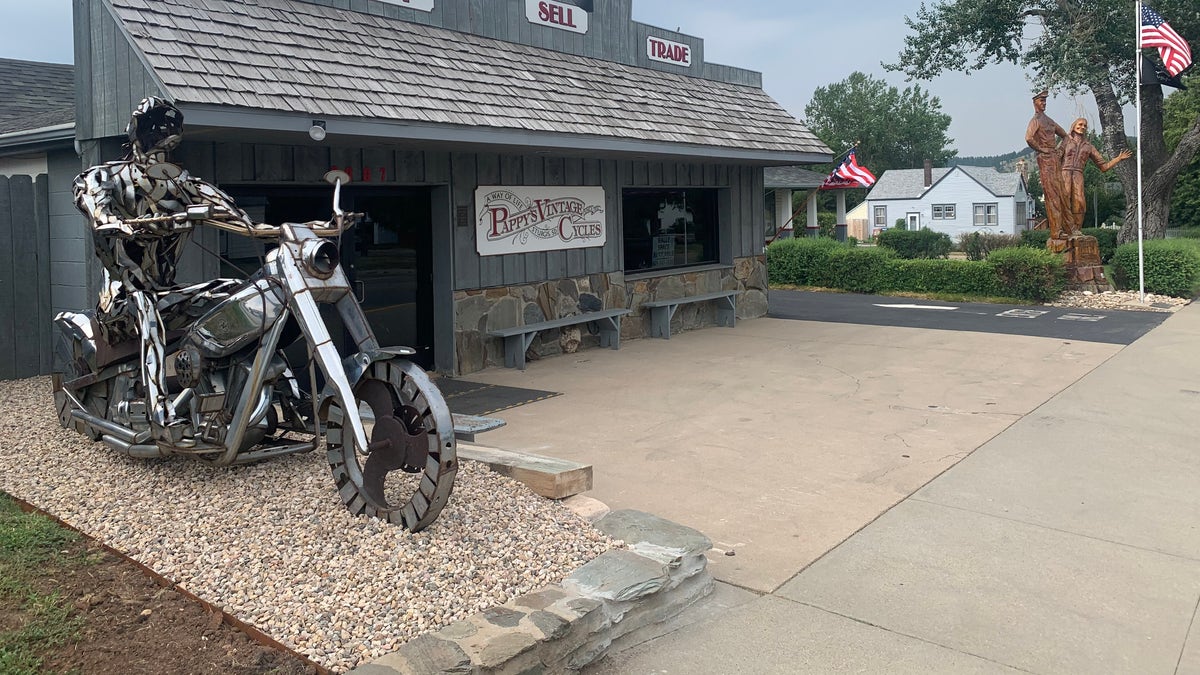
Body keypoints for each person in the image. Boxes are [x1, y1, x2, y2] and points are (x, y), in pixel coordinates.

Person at [73, 97, 272, 438]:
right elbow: (96, 207)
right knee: (145, 306)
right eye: (152, 138)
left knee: (235, 293)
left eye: (166, 142)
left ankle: (240, 390)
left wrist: (276, 229)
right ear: (136, 138)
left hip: (167, 295)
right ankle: (158, 410)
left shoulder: (182, 184)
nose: (159, 149)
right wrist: (114, 222)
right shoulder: (103, 176)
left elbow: (235, 217)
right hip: (122, 301)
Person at [1059, 117, 1132, 238]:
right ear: (1074, 126)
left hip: (1078, 174)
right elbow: (1056, 157)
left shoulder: (1088, 146)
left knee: (1080, 202)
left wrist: (1118, 159)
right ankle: (1062, 229)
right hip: (1064, 172)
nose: (1082, 127)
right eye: (1080, 124)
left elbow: (1103, 166)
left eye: (1085, 126)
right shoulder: (1065, 141)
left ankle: (1076, 229)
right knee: (1064, 199)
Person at [1025, 91, 1068, 238]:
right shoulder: (1035, 120)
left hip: (1054, 158)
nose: (1044, 103)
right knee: (1052, 195)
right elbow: (1029, 138)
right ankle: (1056, 231)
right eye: (1041, 100)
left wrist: (1060, 150)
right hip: (1045, 160)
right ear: (1035, 102)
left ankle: (1070, 228)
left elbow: (1065, 135)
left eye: (1045, 101)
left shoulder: (1049, 121)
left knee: (1062, 192)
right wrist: (1041, 149)